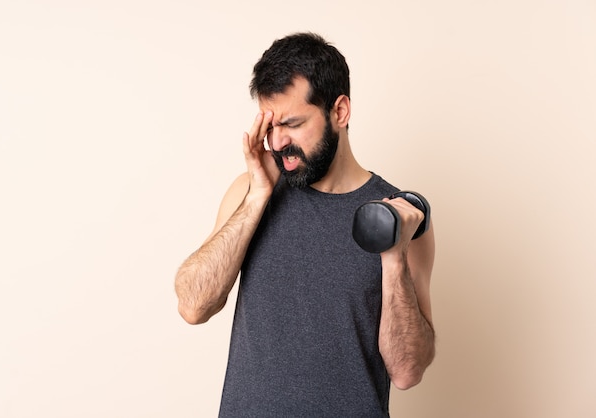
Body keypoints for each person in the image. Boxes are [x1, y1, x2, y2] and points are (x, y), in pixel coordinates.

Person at [175, 32, 435, 417]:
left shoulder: (399, 217)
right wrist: (258, 197)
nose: (277, 143)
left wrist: (394, 257)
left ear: (340, 112)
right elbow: (193, 306)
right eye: (270, 126)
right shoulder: (251, 191)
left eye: (293, 124)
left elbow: (407, 371)